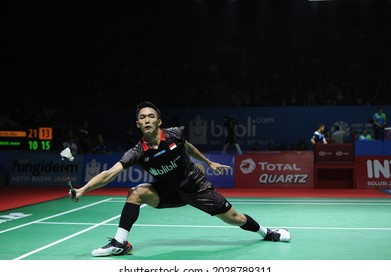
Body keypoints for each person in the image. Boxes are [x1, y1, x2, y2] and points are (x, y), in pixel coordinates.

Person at [69, 101, 291, 257]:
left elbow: (188, 147)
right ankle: (120, 243)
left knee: (235, 218)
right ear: (138, 124)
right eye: (142, 117)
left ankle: (267, 232)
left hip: (196, 188)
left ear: (159, 121)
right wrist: (82, 190)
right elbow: (109, 174)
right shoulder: (137, 152)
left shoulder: (175, 134)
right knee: (135, 192)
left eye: (151, 116)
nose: (147, 119)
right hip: (168, 192)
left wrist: (208, 162)